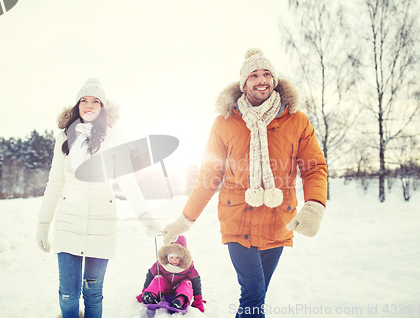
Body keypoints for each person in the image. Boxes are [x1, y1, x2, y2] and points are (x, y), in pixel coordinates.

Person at [161, 48, 328, 318]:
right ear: (243, 83)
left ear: (274, 80)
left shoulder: (296, 120)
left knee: (255, 296)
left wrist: (314, 206)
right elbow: (209, 176)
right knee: (253, 291)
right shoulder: (225, 122)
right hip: (238, 220)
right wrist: (185, 219)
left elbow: (314, 167)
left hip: (278, 219)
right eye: (253, 75)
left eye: (266, 74)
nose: (261, 80)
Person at [36, 78, 161, 318]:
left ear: (102, 107)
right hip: (67, 223)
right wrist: (43, 225)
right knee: (68, 294)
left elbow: (128, 182)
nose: (89, 105)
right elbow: (54, 183)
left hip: (101, 224)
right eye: (84, 100)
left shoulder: (116, 136)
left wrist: (146, 217)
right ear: (77, 105)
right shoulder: (64, 136)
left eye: (95, 101)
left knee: (93, 292)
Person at [136, 235, 205, 312]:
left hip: (180, 289)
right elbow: (150, 275)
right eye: (171, 257)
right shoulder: (161, 264)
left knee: (187, 283)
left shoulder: (188, 266)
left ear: (182, 258)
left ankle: (180, 300)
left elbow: (196, 282)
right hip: (164, 288)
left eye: (177, 258)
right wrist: (144, 291)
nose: (174, 261)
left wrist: (198, 299)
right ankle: (150, 295)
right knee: (158, 278)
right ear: (167, 256)